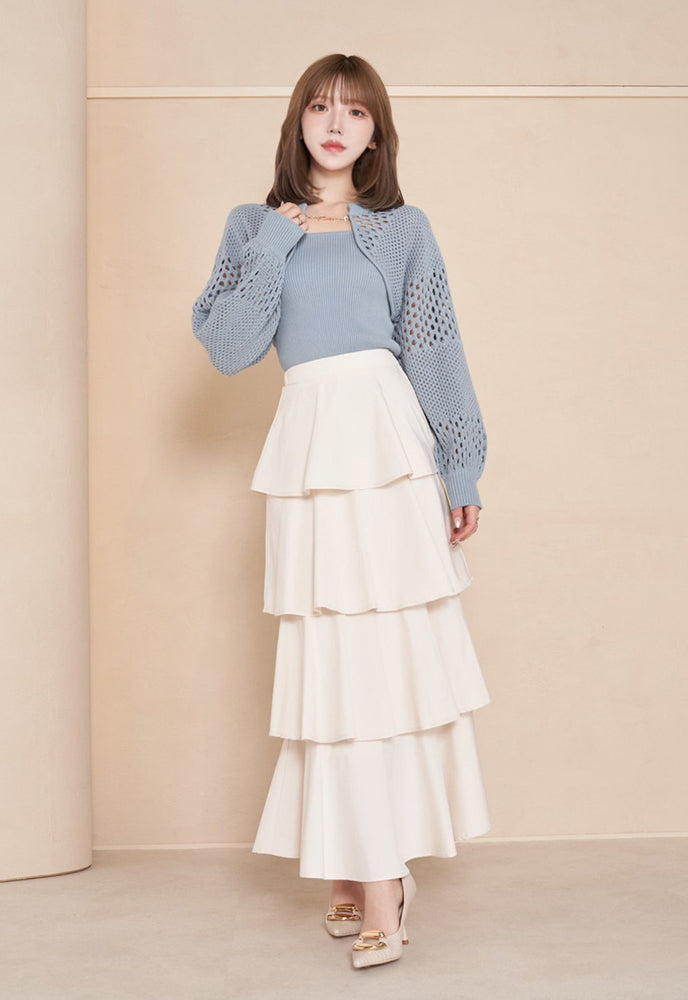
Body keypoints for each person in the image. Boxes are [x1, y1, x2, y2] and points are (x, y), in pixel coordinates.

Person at [191, 52, 491, 970]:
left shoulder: (402, 230)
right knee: (330, 659)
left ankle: (383, 880)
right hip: (311, 454)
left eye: (356, 113)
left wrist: (462, 467)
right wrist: (274, 245)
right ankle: (356, 861)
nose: (335, 124)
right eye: (320, 107)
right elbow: (228, 347)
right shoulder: (252, 227)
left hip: (388, 451)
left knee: (383, 662)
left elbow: (436, 350)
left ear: (376, 133)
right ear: (298, 122)